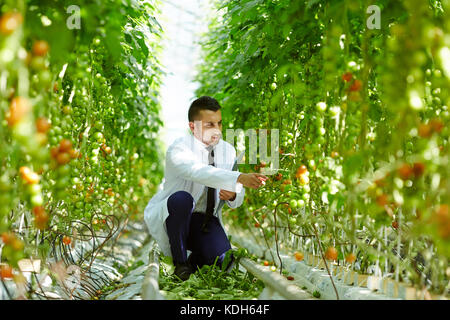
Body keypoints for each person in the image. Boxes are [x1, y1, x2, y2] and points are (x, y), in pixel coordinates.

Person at [144, 96, 267, 280]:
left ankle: (195, 261)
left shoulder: (228, 151)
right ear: (193, 126)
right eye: (210, 125)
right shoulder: (179, 149)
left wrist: (233, 194)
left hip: (204, 220)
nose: (216, 130)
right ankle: (180, 264)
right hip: (176, 220)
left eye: (219, 123)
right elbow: (198, 172)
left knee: (223, 259)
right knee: (181, 200)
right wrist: (239, 177)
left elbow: (237, 195)